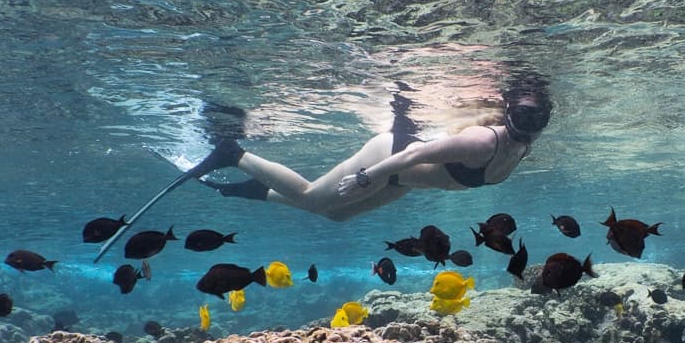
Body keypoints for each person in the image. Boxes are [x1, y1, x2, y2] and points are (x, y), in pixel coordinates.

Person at [93, 67, 552, 260]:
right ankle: (233, 153)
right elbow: (416, 153)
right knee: (315, 199)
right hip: (390, 157)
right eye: (524, 113)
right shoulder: (480, 141)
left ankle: (242, 188)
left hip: (405, 180)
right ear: (508, 107)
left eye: (539, 117)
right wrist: (369, 175)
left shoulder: (522, 145)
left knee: (336, 215)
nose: (530, 124)